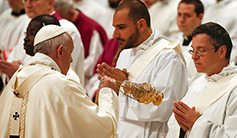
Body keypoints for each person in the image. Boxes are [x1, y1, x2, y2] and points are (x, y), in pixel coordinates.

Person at [0, 25, 119, 138]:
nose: (71, 59)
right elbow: (102, 126)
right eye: (71, 52)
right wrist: (106, 91)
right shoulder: (61, 83)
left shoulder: (16, 77)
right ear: (60, 51)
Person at [97, 0, 188, 137]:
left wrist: (125, 85)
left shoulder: (168, 56)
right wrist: (112, 88)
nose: (115, 35)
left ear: (140, 25)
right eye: (115, 27)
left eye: (121, 27)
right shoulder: (125, 53)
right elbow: (121, 102)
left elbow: (162, 106)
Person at [166, 22, 237, 138]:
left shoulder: (234, 88)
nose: (194, 56)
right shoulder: (198, 84)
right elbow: (174, 125)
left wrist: (196, 124)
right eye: (193, 50)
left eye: (201, 51)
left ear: (222, 52)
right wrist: (182, 127)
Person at [2, 0, 85, 87]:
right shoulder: (28, 26)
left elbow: (65, 71)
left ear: (50, 3)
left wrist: (19, 71)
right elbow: (13, 58)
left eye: (33, 0)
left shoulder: (65, 30)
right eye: (25, 0)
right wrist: (11, 69)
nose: (28, 5)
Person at [172, 0, 205, 86]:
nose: (181, 20)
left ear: (200, 17)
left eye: (187, 16)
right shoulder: (172, 40)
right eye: (179, 15)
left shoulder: (206, 46)